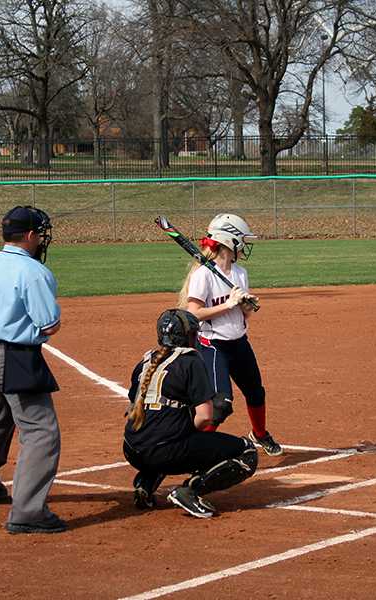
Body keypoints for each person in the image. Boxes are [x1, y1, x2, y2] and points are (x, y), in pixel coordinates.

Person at [0, 205, 66, 535]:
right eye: (41, 232)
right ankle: (27, 512)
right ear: (32, 235)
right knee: (41, 432)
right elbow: (48, 324)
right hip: (16, 356)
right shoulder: (33, 271)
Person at [123, 309, 258, 518]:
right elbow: (204, 416)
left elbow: (134, 404)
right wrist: (188, 431)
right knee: (247, 453)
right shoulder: (191, 361)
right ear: (187, 337)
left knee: (164, 435)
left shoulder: (146, 361)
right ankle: (190, 491)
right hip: (163, 452)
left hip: (132, 449)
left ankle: (146, 483)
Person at [177, 213, 283, 456]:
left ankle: (259, 434)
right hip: (214, 346)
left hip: (239, 343)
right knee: (220, 405)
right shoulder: (203, 275)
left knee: (256, 392)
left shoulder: (240, 273)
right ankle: (192, 448)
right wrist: (228, 304)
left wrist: (245, 305)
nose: (245, 244)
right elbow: (193, 314)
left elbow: (243, 317)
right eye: (242, 239)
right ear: (230, 240)